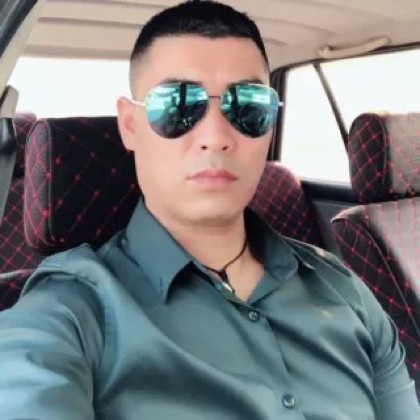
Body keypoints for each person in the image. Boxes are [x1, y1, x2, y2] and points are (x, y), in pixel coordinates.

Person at [0, 1, 418, 419]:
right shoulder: (72, 311)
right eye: (177, 105)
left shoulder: (343, 289)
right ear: (130, 124)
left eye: (248, 105)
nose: (216, 135)